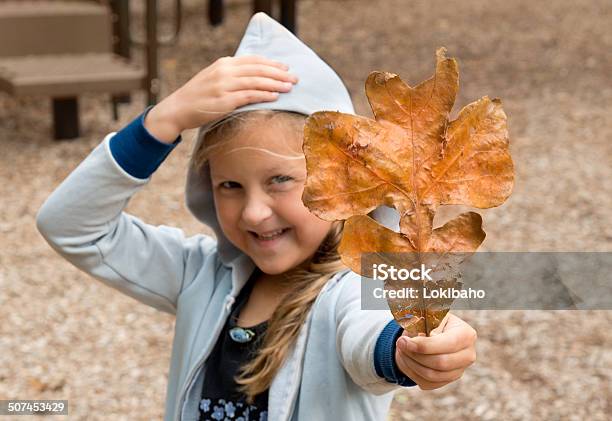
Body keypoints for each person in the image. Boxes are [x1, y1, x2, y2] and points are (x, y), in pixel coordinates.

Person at [36, 12, 477, 421]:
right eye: (230, 186)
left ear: (345, 183)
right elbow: (71, 226)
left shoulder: (357, 287)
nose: (253, 211)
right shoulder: (197, 275)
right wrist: (161, 121)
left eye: (280, 180)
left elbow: (372, 336)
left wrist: (406, 350)